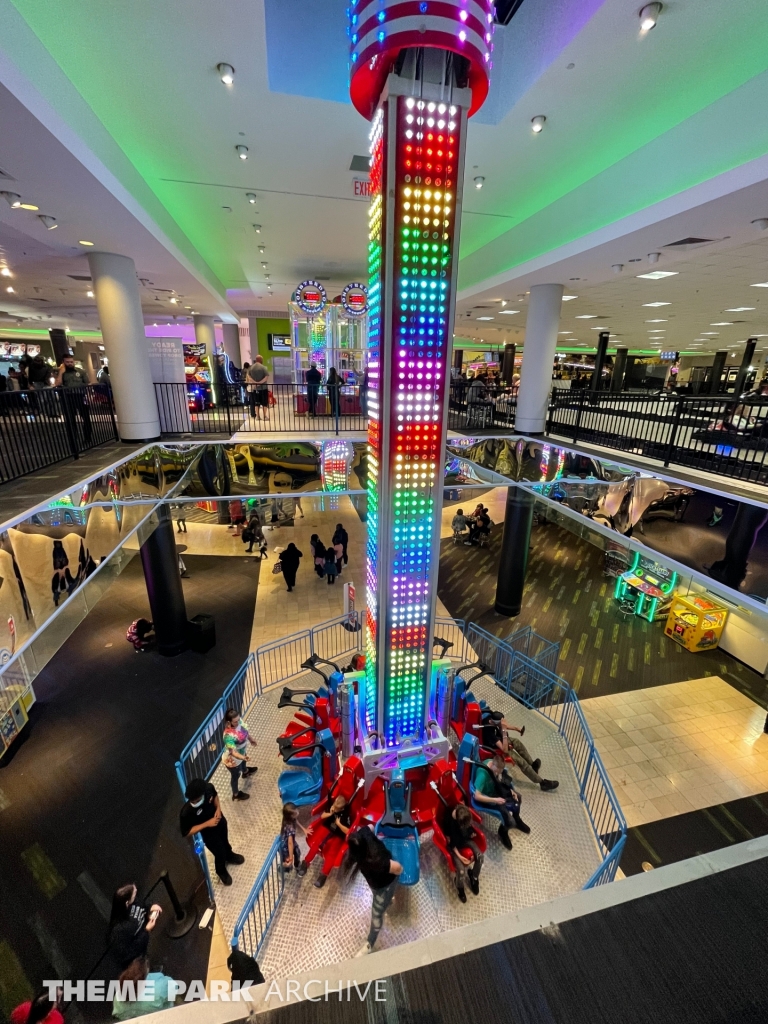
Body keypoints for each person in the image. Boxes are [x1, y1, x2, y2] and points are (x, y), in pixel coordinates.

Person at [347, 826, 403, 956]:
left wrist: (399, 872)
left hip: (383, 885)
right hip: (378, 883)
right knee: (383, 900)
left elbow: (397, 868)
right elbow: (372, 826)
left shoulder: (375, 860)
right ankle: (387, 903)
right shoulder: (363, 834)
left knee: (377, 915)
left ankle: (370, 943)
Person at [180, 777, 245, 886]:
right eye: (193, 801)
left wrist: (218, 809)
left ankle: (230, 855)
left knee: (225, 842)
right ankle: (221, 871)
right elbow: (187, 832)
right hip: (209, 835)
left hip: (220, 822)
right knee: (219, 852)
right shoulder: (186, 812)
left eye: (197, 800)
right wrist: (207, 823)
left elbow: (215, 796)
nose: (195, 802)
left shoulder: (208, 788)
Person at [479, 710, 559, 791]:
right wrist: (503, 730)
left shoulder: (491, 719)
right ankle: (542, 783)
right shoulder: (488, 732)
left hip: (501, 740)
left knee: (517, 742)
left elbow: (502, 726)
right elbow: (505, 750)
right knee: (521, 762)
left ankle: (532, 764)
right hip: (498, 747)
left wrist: (516, 728)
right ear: (496, 722)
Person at [472, 753, 531, 849]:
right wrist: (495, 800)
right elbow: (476, 796)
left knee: (518, 797)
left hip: (496, 790)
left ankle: (517, 819)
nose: (498, 773)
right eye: (497, 771)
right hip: (489, 797)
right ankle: (503, 831)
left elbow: (499, 781)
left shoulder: (494, 766)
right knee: (509, 821)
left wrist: (510, 790)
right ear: (492, 765)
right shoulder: (482, 775)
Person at [108, 884, 162, 970]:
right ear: (127, 903)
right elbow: (129, 952)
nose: (136, 893)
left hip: (142, 945)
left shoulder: (132, 901)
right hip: (134, 961)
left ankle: (149, 967)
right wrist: (146, 930)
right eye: (134, 894)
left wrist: (150, 908)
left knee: (145, 958)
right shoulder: (119, 931)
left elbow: (141, 906)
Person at [446, 803, 484, 902]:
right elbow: (451, 843)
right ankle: (460, 887)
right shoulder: (449, 822)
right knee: (461, 871)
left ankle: (474, 877)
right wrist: (460, 857)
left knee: (480, 857)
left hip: (466, 840)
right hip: (455, 847)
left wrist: (471, 833)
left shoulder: (463, 812)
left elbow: (468, 828)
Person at [313, 795, 353, 887]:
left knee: (332, 852)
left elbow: (347, 831)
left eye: (337, 809)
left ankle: (324, 875)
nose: (335, 809)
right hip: (329, 829)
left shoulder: (346, 815)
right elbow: (323, 816)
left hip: (338, 834)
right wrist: (330, 813)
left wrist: (339, 824)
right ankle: (306, 862)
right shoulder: (333, 807)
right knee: (317, 842)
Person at [222, 708, 257, 801]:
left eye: (238, 719)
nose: (238, 722)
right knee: (235, 776)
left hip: (242, 751)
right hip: (233, 760)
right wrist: (244, 757)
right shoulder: (228, 736)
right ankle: (236, 794)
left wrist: (251, 739)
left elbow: (245, 731)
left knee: (243, 763)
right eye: (236, 721)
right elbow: (233, 752)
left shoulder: (238, 721)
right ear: (229, 722)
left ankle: (245, 772)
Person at [55, 355, 92, 441]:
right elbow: (57, 384)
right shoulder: (61, 372)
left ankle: (87, 437)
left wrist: (89, 395)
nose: (70, 364)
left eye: (71, 362)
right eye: (67, 362)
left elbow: (87, 383)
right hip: (68, 397)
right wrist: (61, 372)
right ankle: (73, 438)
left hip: (80, 396)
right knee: (70, 419)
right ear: (63, 363)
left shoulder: (81, 372)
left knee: (86, 417)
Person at [280, 802, 308, 875]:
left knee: (297, 852)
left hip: (290, 842)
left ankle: (297, 865)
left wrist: (304, 829)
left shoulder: (290, 818)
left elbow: (296, 821)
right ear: (291, 816)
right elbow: (290, 843)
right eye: (295, 813)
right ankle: (284, 868)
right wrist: (291, 857)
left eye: (297, 810)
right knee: (288, 860)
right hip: (285, 846)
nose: (298, 813)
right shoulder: (290, 828)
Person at [246, 355, 270, 420]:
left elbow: (248, 376)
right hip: (263, 388)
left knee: (256, 403)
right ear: (261, 360)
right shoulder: (264, 367)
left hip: (254, 388)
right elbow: (266, 377)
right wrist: (260, 383)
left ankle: (257, 416)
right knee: (264, 403)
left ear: (256, 360)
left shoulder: (251, 368)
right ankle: (265, 416)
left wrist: (255, 382)